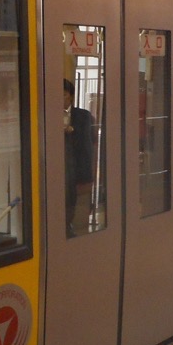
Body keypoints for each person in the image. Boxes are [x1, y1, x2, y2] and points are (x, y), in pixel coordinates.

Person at [63, 79, 95, 236]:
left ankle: (69, 225)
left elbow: (88, 141)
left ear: (70, 96)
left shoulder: (83, 115)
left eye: (63, 94)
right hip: (58, 166)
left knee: (72, 198)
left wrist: (71, 130)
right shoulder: (46, 114)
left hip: (75, 166)